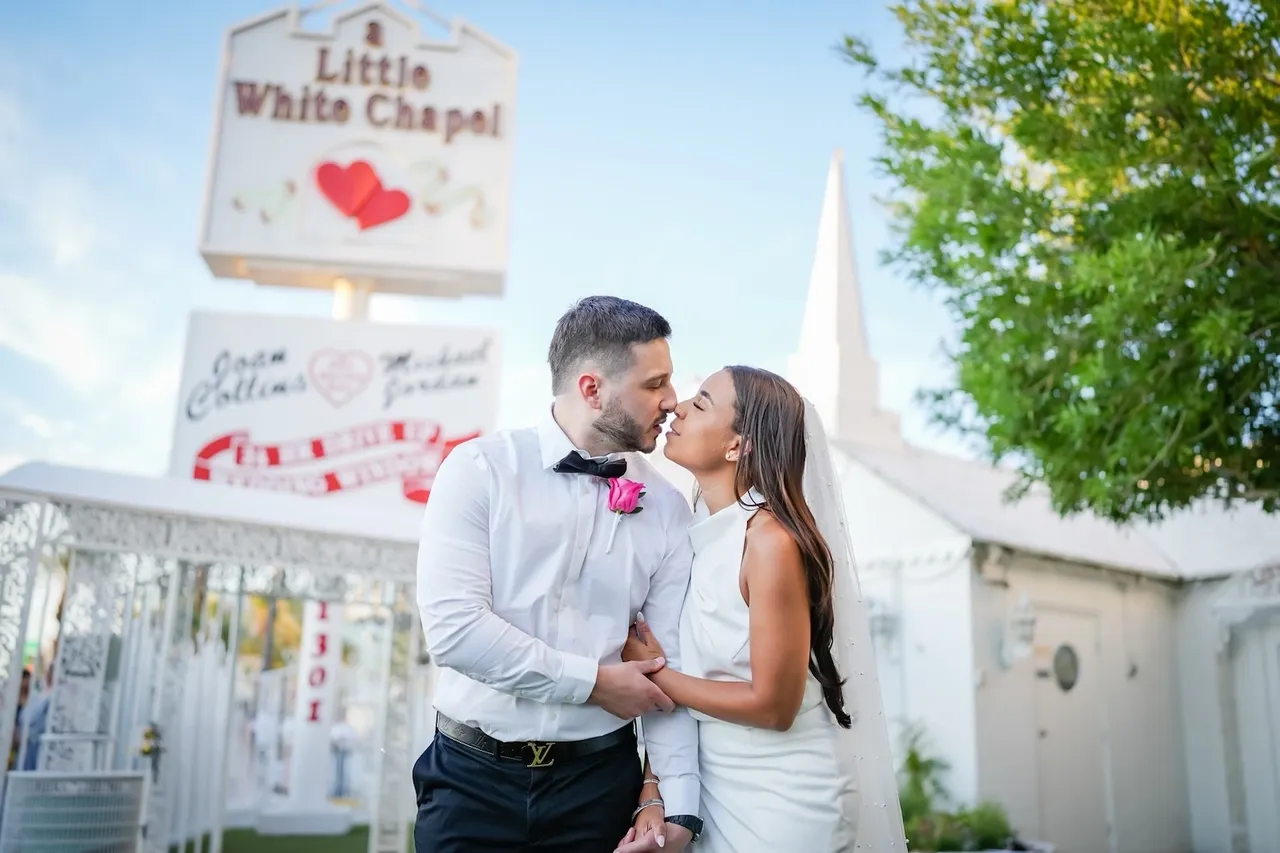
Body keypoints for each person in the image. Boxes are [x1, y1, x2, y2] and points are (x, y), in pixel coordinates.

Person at [415, 296, 702, 851]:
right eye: (654, 384)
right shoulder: (479, 471)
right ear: (591, 388)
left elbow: (666, 669)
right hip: (469, 783)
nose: (672, 401)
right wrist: (594, 683)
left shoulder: (667, 508)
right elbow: (455, 631)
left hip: (600, 789)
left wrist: (674, 804)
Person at [614, 366, 907, 852]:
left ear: (739, 444)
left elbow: (774, 706)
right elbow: (698, 674)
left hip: (782, 797)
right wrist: (655, 784)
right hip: (712, 786)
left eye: (702, 403)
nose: (677, 407)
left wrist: (652, 675)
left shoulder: (770, 541)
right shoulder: (697, 531)